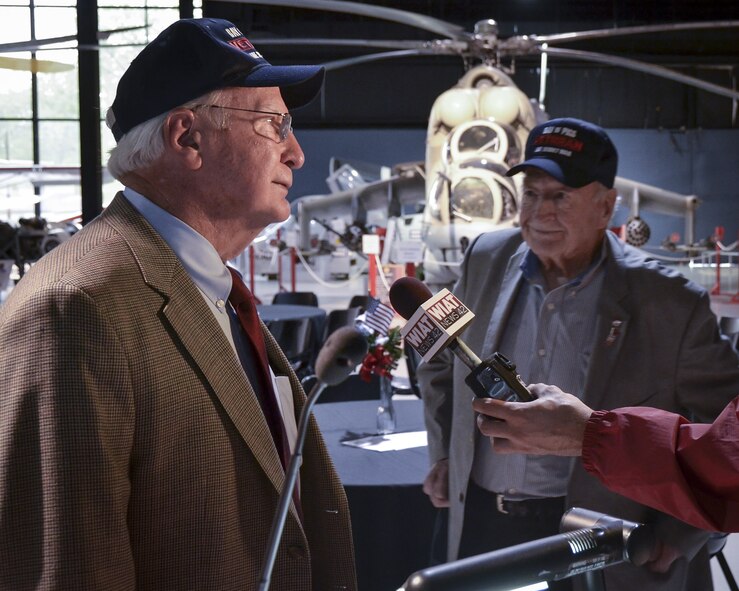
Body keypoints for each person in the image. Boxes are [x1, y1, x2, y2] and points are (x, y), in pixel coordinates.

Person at [0, 18, 356, 591]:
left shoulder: (207, 287)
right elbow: (70, 566)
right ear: (187, 137)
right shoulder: (74, 311)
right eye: (274, 123)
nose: (297, 153)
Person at [417, 117, 739, 590]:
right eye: (531, 193)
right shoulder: (485, 257)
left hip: (602, 538)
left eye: (561, 196)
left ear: (605, 207)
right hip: (485, 524)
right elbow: (441, 360)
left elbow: (723, 430)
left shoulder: (670, 302)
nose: (541, 211)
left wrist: (682, 534)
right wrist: (444, 455)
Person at [474, 385, 739, 533]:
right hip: (485, 515)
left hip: (614, 540)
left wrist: (591, 433)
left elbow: (723, 461)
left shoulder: (670, 301)